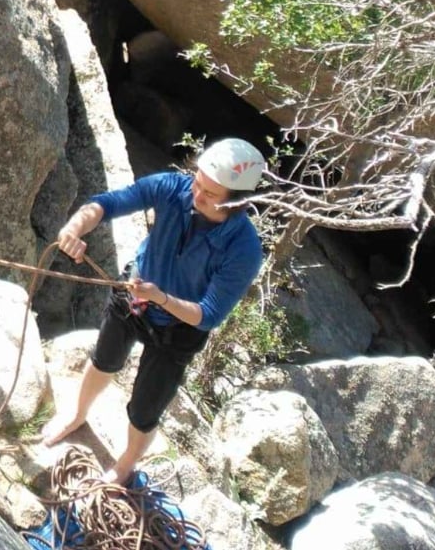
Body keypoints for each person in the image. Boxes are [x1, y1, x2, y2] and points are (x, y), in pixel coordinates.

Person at [40, 138, 268, 482]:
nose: (196, 195)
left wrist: (161, 298)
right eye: (197, 183)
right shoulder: (173, 188)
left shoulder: (244, 249)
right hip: (135, 294)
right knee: (104, 359)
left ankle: (126, 464)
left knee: (145, 408)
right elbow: (110, 203)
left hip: (181, 327)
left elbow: (209, 314)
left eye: (210, 194)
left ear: (237, 203)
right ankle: (77, 414)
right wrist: (75, 227)